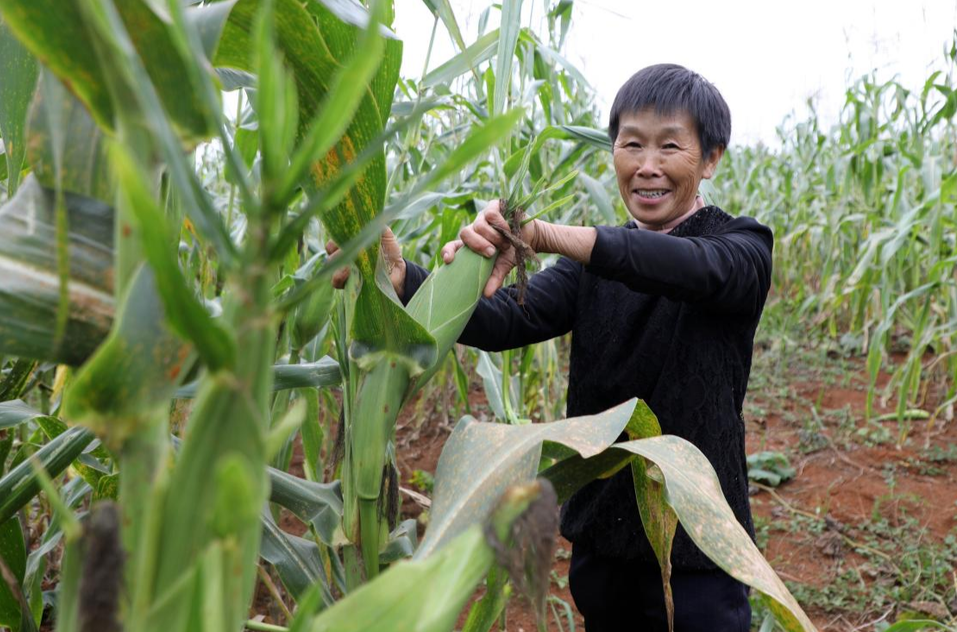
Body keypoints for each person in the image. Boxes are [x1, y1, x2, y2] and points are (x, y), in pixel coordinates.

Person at [328, 64, 772, 631]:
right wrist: (404, 278)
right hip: (602, 538)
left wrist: (549, 236)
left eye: (670, 147)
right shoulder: (590, 269)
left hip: (698, 547)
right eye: (631, 145)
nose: (647, 166)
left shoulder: (741, 247)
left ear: (710, 159)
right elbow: (501, 321)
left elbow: (695, 269)